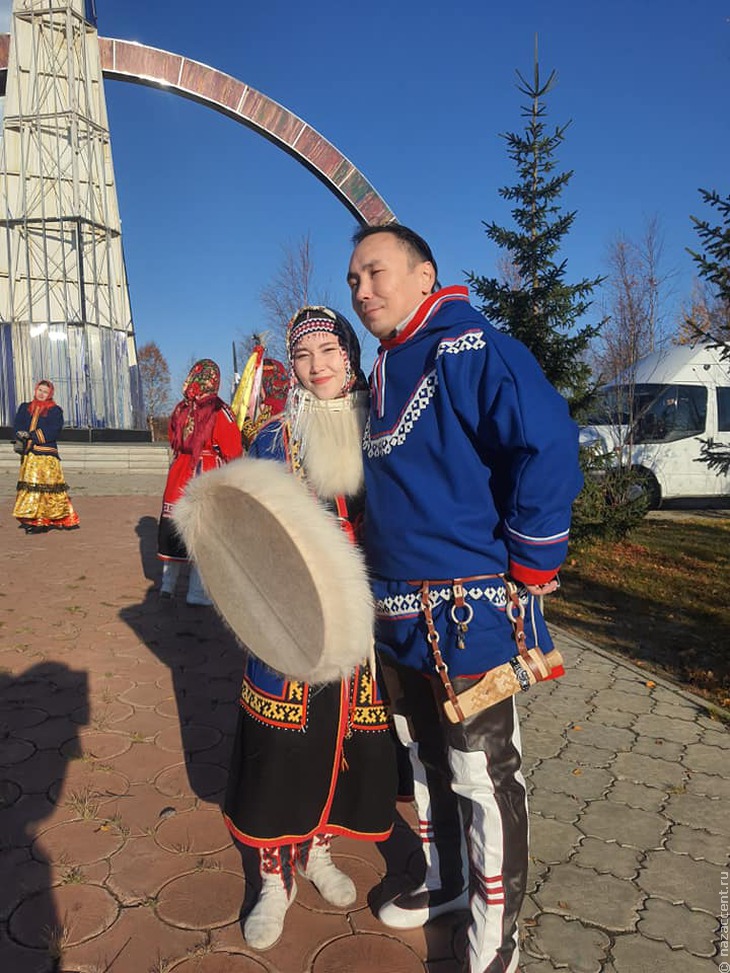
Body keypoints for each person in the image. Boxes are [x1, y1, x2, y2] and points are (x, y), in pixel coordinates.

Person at [346, 224, 583, 973]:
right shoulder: (386, 364)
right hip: (398, 616)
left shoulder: (466, 347)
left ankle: (495, 935)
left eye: (375, 272)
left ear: (425, 276)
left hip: (467, 616)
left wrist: (534, 560)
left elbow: (546, 440)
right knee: (424, 761)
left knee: (482, 775)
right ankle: (448, 883)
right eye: (352, 280)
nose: (362, 291)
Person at [223, 306, 398, 952]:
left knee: (342, 740)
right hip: (290, 621)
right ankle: (275, 875)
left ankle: (318, 850)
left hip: (361, 625)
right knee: (282, 747)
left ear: (349, 359)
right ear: (291, 367)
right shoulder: (274, 437)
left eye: (329, 351)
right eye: (304, 355)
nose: (318, 364)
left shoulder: (380, 429)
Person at [157, 359, 242, 604]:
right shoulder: (219, 410)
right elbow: (231, 447)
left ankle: (167, 585)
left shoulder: (181, 408)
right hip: (205, 471)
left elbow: (174, 438)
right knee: (202, 534)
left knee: (174, 527)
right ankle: (196, 593)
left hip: (180, 471)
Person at [13, 380, 80, 533]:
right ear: (35, 390)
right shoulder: (25, 407)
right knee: (31, 489)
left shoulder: (55, 410)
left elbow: (54, 429)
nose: (41, 394)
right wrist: (20, 434)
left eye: (45, 391)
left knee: (48, 489)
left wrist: (31, 436)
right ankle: (34, 518)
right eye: (40, 390)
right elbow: (18, 424)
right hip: (30, 456)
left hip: (47, 455)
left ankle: (47, 520)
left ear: (50, 394)